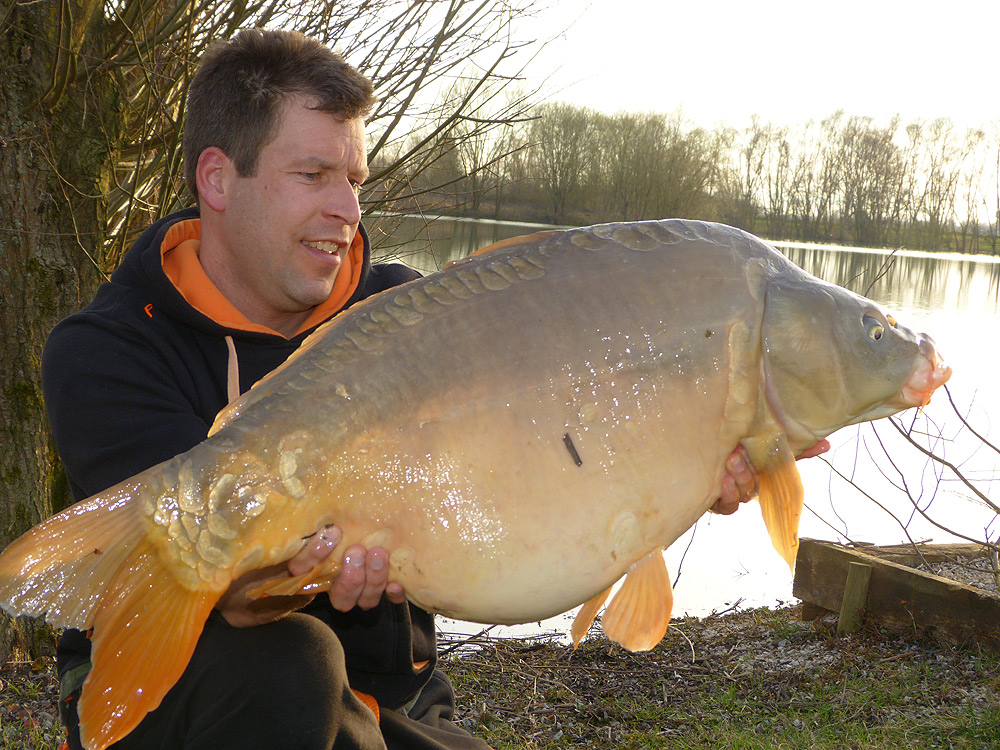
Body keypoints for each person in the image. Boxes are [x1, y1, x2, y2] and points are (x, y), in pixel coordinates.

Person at [41, 28, 823, 750]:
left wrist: (683, 467)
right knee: (288, 666)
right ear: (218, 178)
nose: (346, 210)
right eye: (313, 175)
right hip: (194, 698)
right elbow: (232, 596)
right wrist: (296, 572)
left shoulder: (412, 317)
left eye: (353, 179)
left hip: (389, 705)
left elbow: (550, 465)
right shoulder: (110, 350)